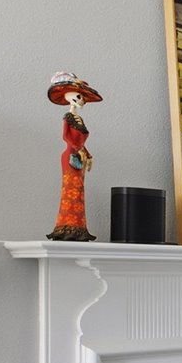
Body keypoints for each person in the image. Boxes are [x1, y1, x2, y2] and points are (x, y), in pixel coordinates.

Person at [45, 71, 102, 241]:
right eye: (79, 96)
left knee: (78, 191)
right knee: (71, 191)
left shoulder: (78, 118)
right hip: (70, 156)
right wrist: (79, 150)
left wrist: (87, 154)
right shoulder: (69, 117)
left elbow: (81, 142)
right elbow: (67, 137)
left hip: (78, 155)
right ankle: (67, 226)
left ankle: (78, 225)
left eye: (82, 97)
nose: (82, 100)